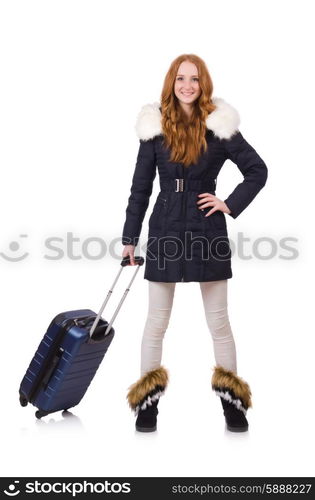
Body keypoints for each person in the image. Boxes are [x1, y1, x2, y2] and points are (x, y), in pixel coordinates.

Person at [121, 54, 268, 433]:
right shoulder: (153, 126)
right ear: (171, 82)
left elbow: (257, 170)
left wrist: (228, 204)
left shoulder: (220, 125)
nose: (188, 85)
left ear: (204, 84)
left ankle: (233, 404)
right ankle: (147, 405)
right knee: (156, 323)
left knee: (219, 322)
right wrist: (129, 240)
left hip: (207, 231)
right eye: (181, 78)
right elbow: (140, 188)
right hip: (167, 228)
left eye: (195, 79)